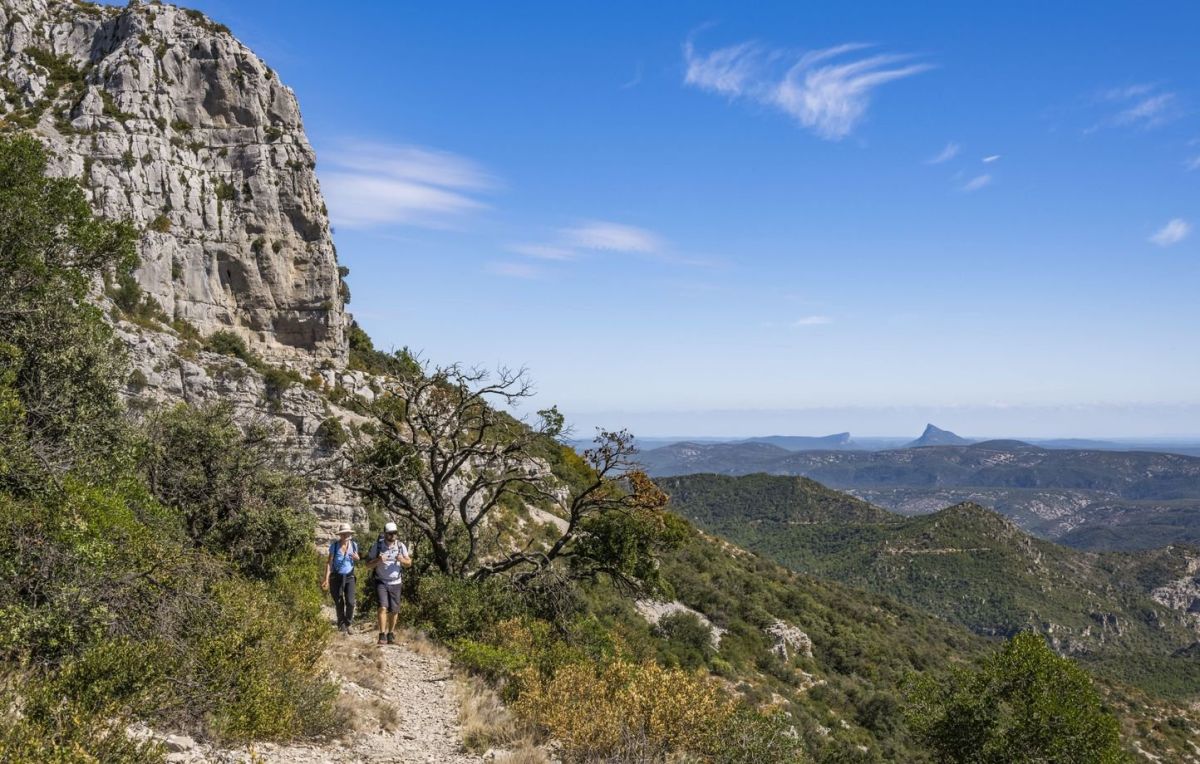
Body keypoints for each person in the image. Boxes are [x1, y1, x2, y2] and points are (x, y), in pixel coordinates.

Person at [366, 521, 411, 645]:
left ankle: (390, 633)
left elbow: (409, 563)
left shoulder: (401, 546)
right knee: (382, 607)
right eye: (390, 533)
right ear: (385, 534)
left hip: (396, 582)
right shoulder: (377, 546)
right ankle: (382, 634)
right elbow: (367, 565)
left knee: (395, 610)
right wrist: (378, 560)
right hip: (381, 581)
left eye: (394, 533)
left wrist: (402, 560)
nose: (393, 536)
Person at [322, 523, 359, 635]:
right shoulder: (334, 546)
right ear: (340, 535)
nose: (346, 535)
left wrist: (357, 558)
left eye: (347, 533)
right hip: (336, 577)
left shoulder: (354, 545)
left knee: (351, 602)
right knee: (339, 601)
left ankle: (348, 622)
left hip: (349, 576)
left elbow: (358, 557)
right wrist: (326, 579)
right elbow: (329, 563)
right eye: (344, 534)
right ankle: (341, 624)